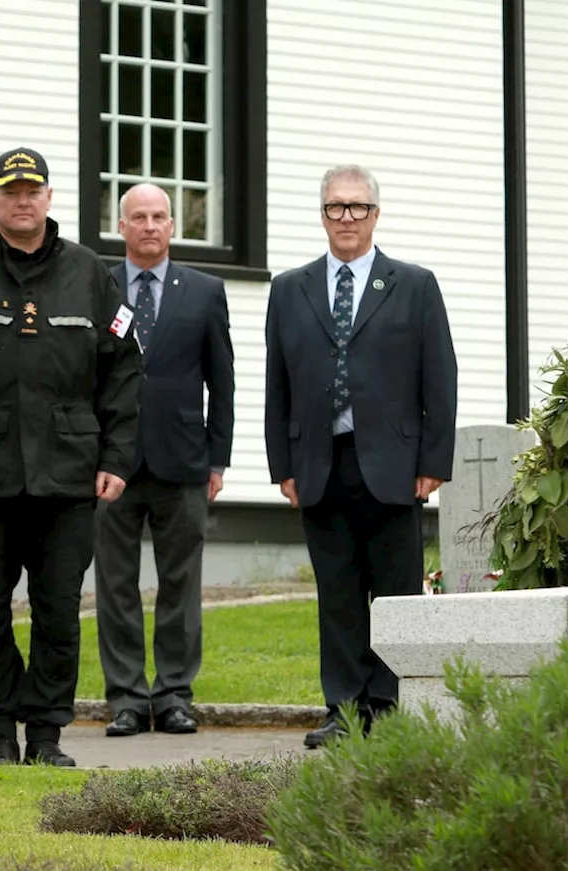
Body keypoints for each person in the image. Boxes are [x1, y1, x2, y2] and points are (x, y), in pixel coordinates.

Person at [0, 148, 142, 768]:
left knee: (59, 611)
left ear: (50, 197)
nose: (23, 200)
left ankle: (48, 733)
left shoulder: (90, 274)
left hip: (67, 475)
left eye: (33, 190)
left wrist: (117, 454)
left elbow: (123, 369)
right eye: (11, 191)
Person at [264, 164, 458, 748]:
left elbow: (440, 378)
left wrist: (434, 462)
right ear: (321, 214)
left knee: (394, 591)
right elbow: (278, 383)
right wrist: (283, 466)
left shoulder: (414, 285)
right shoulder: (289, 288)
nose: (345, 218)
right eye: (335, 207)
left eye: (357, 208)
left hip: (395, 466)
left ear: (375, 214)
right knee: (338, 593)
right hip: (320, 465)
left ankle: (389, 706)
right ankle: (344, 710)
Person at [93, 183, 235, 739]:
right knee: (115, 585)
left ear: (172, 226)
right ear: (121, 227)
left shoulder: (204, 290)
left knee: (181, 583)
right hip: (113, 465)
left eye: (159, 217)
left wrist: (217, 460)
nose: (149, 226)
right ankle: (126, 697)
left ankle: (174, 694)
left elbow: (221, 382)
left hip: (183, 460)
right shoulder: (97, 285)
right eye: (138, 217)